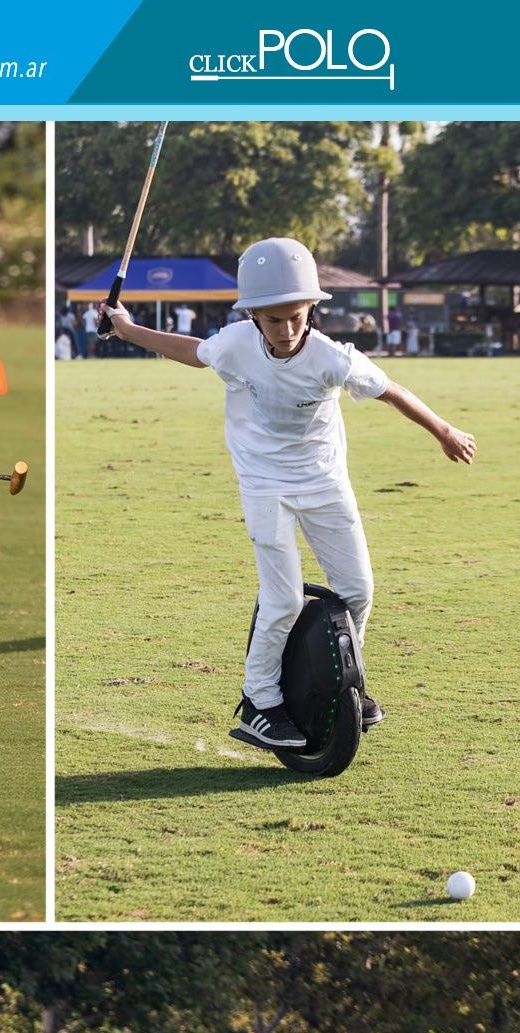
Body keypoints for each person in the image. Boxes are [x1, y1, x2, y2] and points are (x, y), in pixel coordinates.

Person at [98, 237, 476, 750]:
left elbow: (393, 392)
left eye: (296, 317)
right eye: (274, 320)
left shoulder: (332, 358)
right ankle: (259, 700)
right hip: (263, 482)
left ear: (311, 310)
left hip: (324, 481)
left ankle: (347, 678)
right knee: (283, 599)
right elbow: (191, 352)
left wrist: (444, 431)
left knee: (358, 589)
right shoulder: (235, 344)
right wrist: (125, 328)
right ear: (253, 316)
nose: (287, 329)